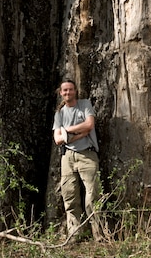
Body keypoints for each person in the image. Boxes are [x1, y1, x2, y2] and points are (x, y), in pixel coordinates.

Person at [52, 79, 104, 242]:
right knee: (70, 196)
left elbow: (89, 124)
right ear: (61, 93)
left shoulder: (84, 104)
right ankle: (74, 235)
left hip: (87, 155)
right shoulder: (59, 113)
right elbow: (58, 140)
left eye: (70, 90)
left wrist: (67, 131)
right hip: (67, 158)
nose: (68, 93)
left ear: (75, 91)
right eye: (64, 90)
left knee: (93, 194)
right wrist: (78, 134)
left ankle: (98, 233)